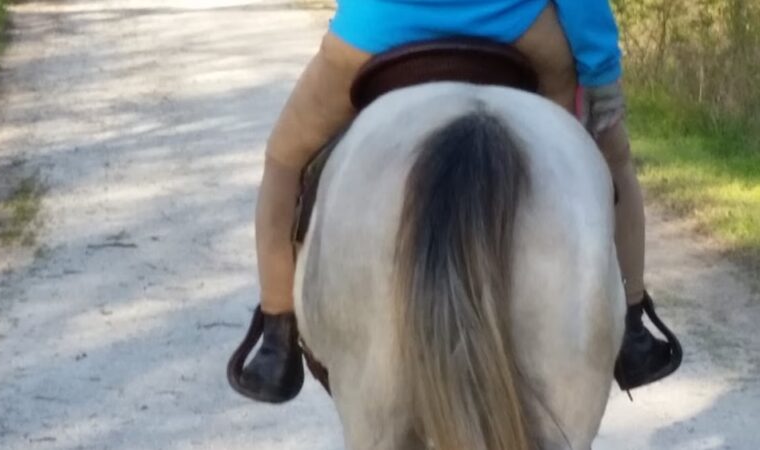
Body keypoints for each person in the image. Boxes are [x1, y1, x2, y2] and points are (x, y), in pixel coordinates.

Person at [233, 0, 681, 403]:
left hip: (379, 27)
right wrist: (601, 72)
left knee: (283, 161)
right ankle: (632, 326)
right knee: (605, 157)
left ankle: (278, 335)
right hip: (520, 27)